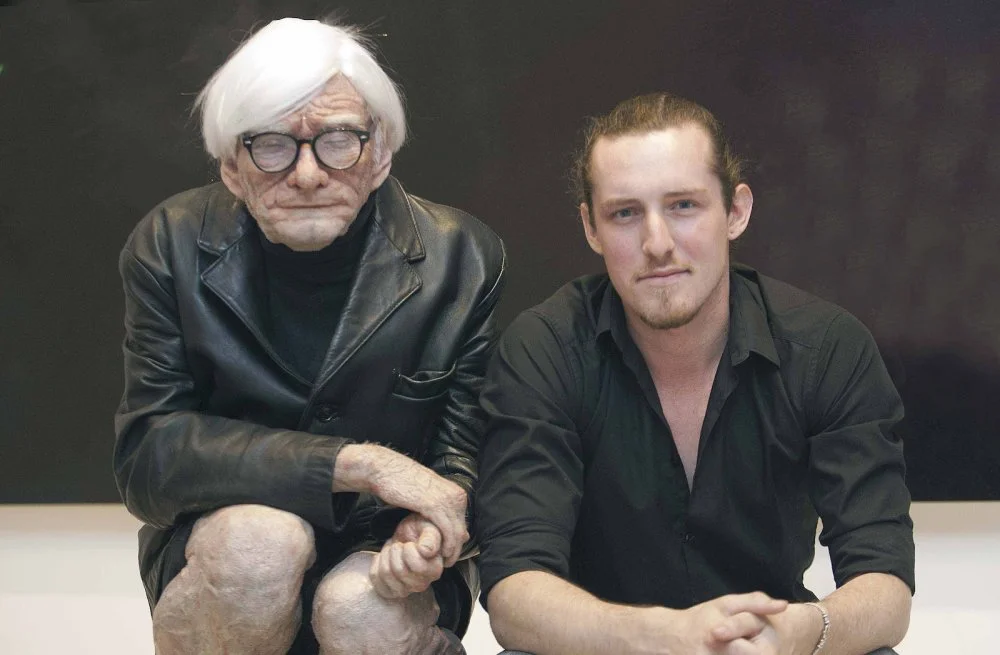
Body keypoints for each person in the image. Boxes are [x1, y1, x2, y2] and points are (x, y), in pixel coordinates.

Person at [113, 18, 505, 655]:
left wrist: (429, 527)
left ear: (379, 153)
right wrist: (357, 465)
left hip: (384, 543)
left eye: (337, 140)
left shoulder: (462, 253)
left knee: (363, 611)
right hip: (225, 537)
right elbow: (149, 457)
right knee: (258, 549)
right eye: (271, 145)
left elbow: (464, 451)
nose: (306, 174)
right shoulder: (169, 243)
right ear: (232, 167)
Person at [475, 93, 913, 655]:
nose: (657, 244)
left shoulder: (827, 347)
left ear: (736, 211)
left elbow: (885, 585)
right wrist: (666, 637)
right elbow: (514, 593)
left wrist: (800, 634)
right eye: (625, 213)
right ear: (590, 228)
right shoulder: (544, 350)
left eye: (683, 205)